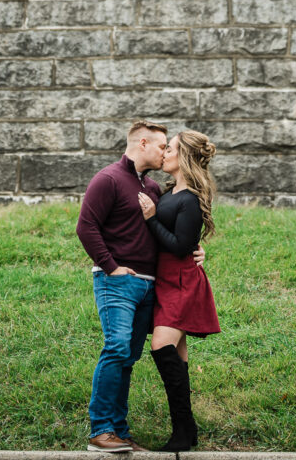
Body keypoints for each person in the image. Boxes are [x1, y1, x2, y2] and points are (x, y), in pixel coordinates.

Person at [76, 121, 205, 453]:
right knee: (117, 349)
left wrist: (195, 250)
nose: (165, 152)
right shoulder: (108, 179)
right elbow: (86, 226)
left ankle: (118, 432)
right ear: (143, 143)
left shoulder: (151, 187)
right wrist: (111, 267)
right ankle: (101, 430)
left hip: (151, 286)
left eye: (169, 148)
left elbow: (173, 231)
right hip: (118, 282)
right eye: (163, 146)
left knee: (128, 357)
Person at [137, 130, 220, 452]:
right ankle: (184, 433)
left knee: (162, 347)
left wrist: (150, 219)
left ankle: (185, 431)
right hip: (164, 281)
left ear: (183, 155)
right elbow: (185, 242)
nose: (164, 152)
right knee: (177, 357)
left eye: (169, 148)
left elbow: (181, 245)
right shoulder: (171, 191)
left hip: (182, 282)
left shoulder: (191, 199)